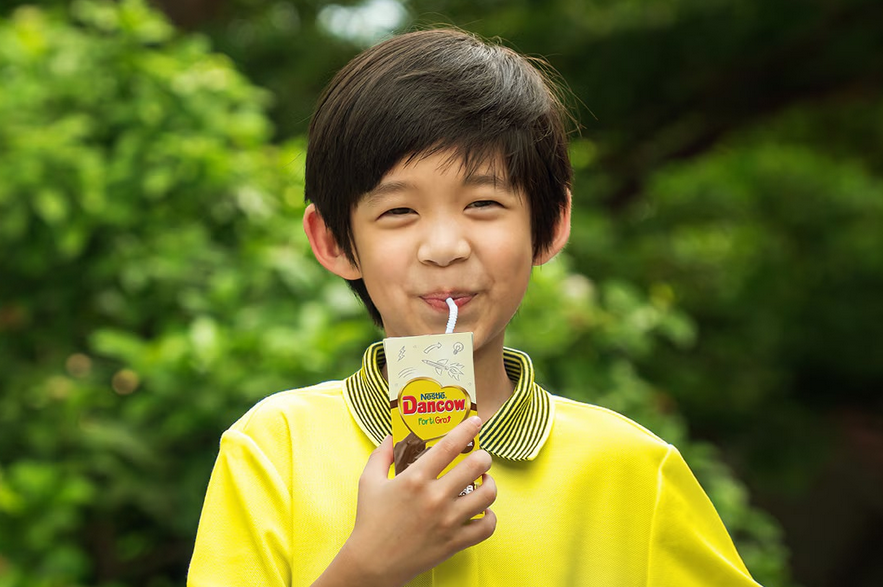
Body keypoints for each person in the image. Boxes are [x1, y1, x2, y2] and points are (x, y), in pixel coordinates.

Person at [188, 29, 761, 586]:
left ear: (551, 223)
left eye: (483, 203)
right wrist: (365, 572)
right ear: (334, 242)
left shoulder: (633, 470)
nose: (444, 247)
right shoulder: (275, 449)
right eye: (398, 212)